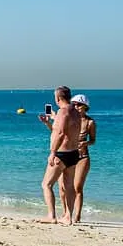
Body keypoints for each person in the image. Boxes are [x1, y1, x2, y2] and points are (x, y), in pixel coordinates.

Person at [36, 86, 82, 224]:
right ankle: (68, 217)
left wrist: (53, 152)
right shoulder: (75, 111)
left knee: (46, 184)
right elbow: (61, 130)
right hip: (73, 153)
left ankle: (51, 216)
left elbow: (61, 134)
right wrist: (49, 122)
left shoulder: (63, 112)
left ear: (58, 98)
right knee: (68, 186)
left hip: (61, 153)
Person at [71, 94, 96, 223]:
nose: (76, 107)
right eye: (74, 104)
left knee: (77, 187)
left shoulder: (90, 122)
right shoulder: (70, 119)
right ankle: (67, 213)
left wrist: (85, 143)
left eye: (78, 104)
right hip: (68, 155)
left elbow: (93, 140)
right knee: (65, 188)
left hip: (83, 157)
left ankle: (77, 216)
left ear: (85, 106)